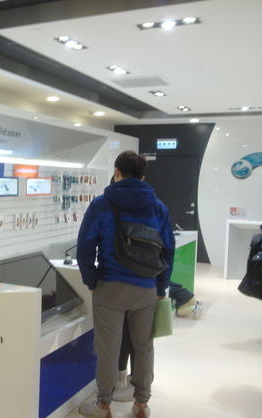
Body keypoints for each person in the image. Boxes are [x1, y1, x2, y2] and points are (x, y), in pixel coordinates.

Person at [77, 151, 175, 418]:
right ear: (143, 176)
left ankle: (103, 405)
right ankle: (141, 403)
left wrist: (91, 280)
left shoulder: (101, 205)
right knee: (144, 346)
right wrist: (160, 287)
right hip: (146, 287)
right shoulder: (158, 207)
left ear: (117, 172)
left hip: (110, 286)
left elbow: (85, 247)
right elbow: (168, 249)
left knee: (108, 348)